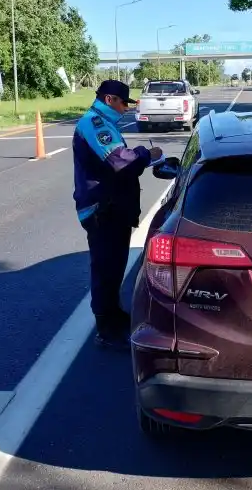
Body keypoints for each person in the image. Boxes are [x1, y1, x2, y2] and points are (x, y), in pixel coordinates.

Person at [73, 80, 162, 350]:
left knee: (114, 268)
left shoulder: (103, 121)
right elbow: (121, 161)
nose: (125, 109)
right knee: (106, 269)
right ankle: (106, 330)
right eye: (124, 103)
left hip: (113, 210)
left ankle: (114, 314)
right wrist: (148, 153)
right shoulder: (95, 123)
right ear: (110, 99)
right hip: (102, 211)